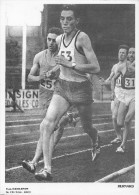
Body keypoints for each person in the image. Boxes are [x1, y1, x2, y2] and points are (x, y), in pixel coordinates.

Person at [34, 4, 100, 181]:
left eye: (69, 19)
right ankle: (47, 169)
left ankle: (95, 139)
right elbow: (60, 61)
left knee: (87, 127)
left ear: (76, 20)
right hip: (63, 87)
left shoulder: (82, 38)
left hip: (81, 89)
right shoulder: (59, 39)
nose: (65, 22)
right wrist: (55, 70)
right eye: (62, 19)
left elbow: (96, 67)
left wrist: (70, 64)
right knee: (46, 124)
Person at [22, 27, 77, 175]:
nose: (51, 42)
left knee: (49, 129)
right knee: (47, 131)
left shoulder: (63, 57)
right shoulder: (39, 56)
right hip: (44, 98)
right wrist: (41, 77)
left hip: (59, 99)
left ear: (59, 41)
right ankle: (67, 119)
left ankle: (36, 162)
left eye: (54, 40)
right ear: (46, 40)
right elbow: (29, 77)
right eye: (49, 39)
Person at [103, 45, 129, 144]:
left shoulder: (129, 66)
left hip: (126, 94)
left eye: (123, 53)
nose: (121, 54)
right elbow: (109, 79)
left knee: (123, 119)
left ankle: (125, 136)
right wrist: (103, 81)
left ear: (126, 55)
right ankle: (119, 136)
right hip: (116, 93)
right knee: (114, 117)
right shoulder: (115, 66)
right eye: (120, 52)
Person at [111, 47, 135, 153]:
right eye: (129, 53)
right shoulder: (121, 66)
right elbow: (113, 78)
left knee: (127, 119)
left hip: (135, 95)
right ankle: (120, 137)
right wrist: (113, 92)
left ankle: (123, 145)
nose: (131, 54)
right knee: (119, 122)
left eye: (134, 53)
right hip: (124, 95)